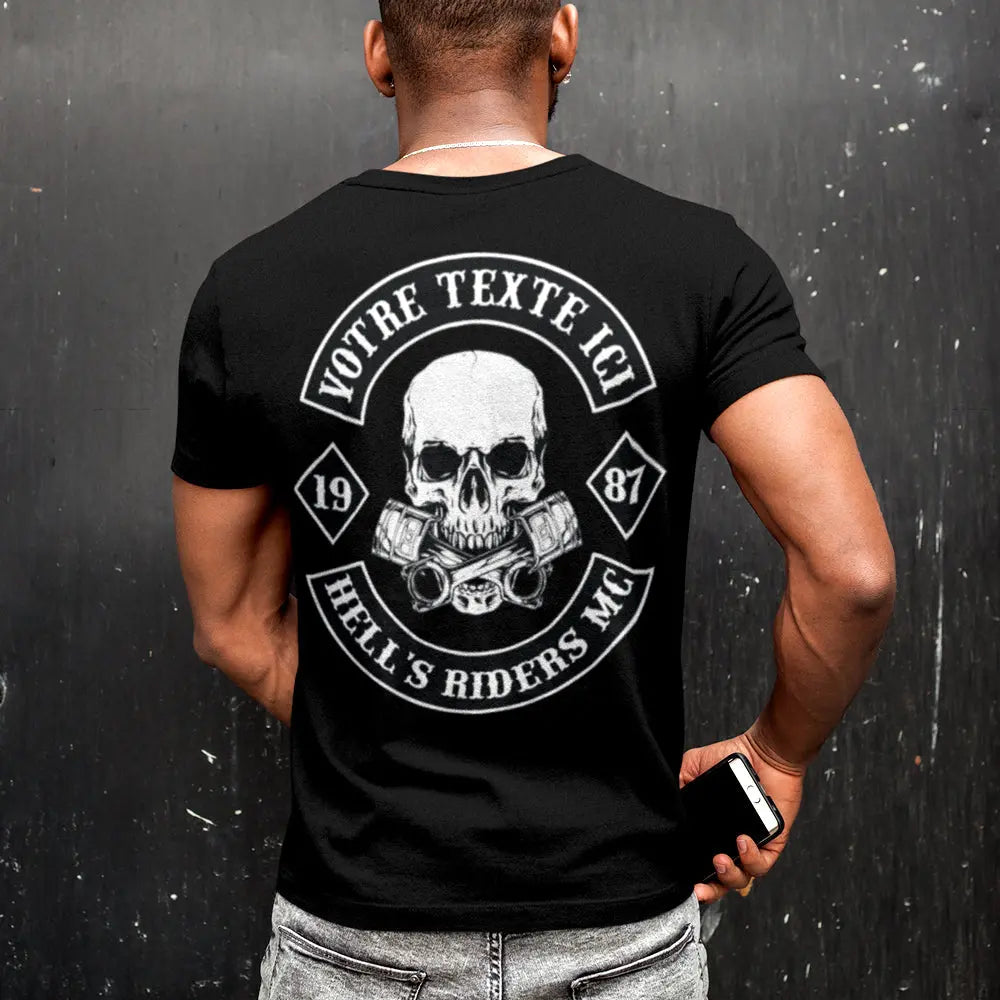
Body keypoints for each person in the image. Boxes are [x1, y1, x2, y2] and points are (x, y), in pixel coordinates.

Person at [170, 2, 896, 997]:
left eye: (511, 461)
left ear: (380, 53)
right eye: (439, 466)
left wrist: (385, 716)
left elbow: (229, 625)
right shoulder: (699, 262)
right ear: (562, 37)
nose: (472, 503)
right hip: (621, 938)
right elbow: (852, 574)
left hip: (356, 938)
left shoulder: (251, 288)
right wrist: (777, 755)